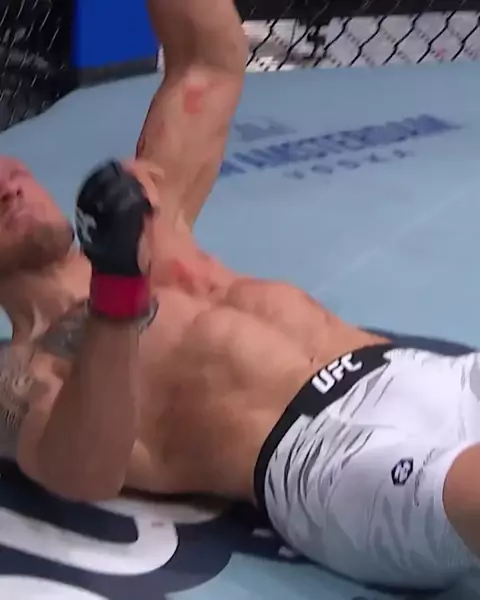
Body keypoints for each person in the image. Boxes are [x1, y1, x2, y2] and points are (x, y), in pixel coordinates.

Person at [0, 0, 479, 592]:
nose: (8, 184)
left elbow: (209, 59)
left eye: (11, 171)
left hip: (419, 374)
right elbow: (82, 470)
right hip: (325, 455)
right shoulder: (27, 365)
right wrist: (118, 286)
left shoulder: (155, 220)